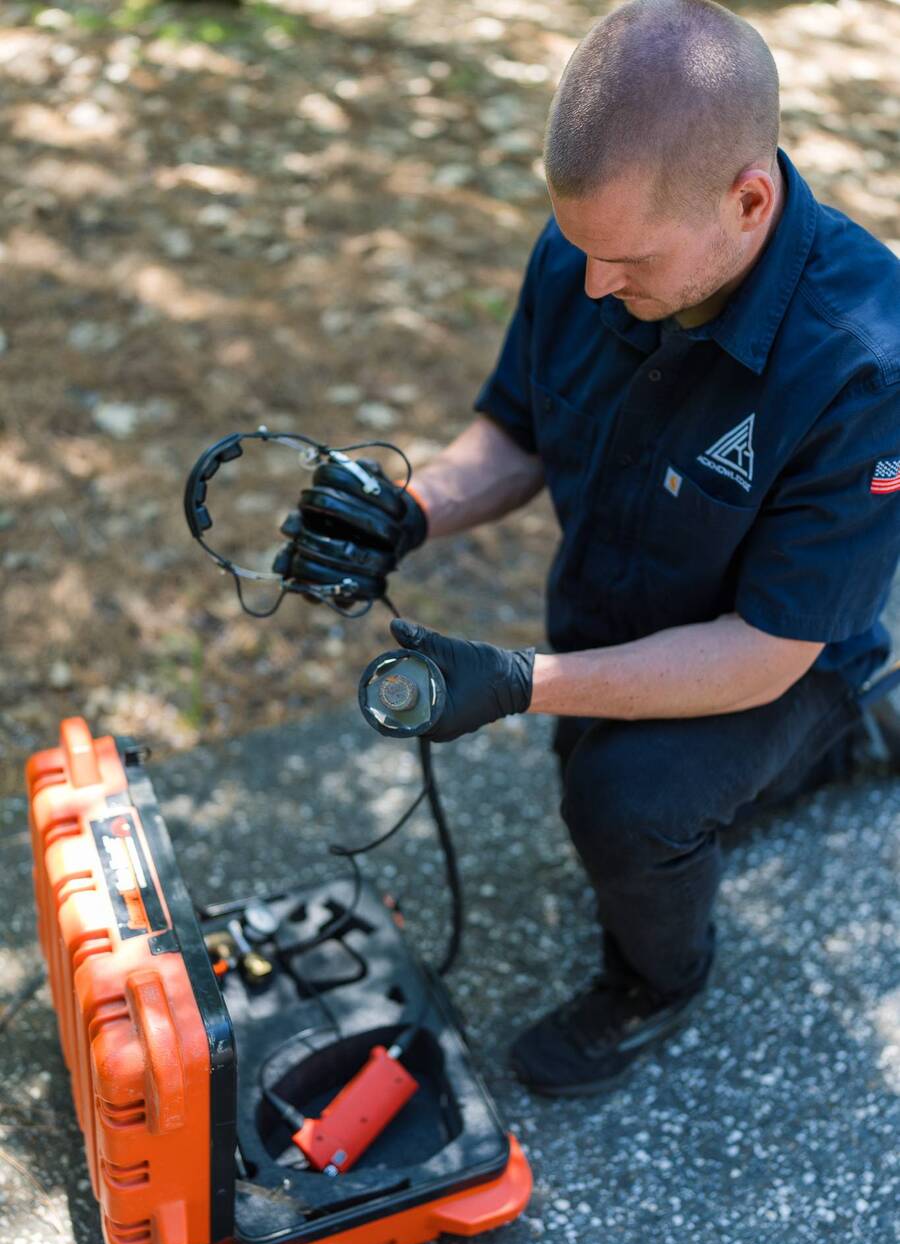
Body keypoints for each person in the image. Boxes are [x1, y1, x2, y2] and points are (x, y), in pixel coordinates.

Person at [279, 0, 900, 1096]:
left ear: (748, 200)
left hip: (780, 655)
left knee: (623, 804)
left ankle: (658, 984)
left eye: (626, 262)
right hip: (627, 613)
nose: (595, 285)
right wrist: (408, 510)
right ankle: (849, 746)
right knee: (600, 761)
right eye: (581, 250)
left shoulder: (862, 364)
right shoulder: (597, 244)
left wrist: (520, 681)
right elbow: (518, 428)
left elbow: (763, 650)